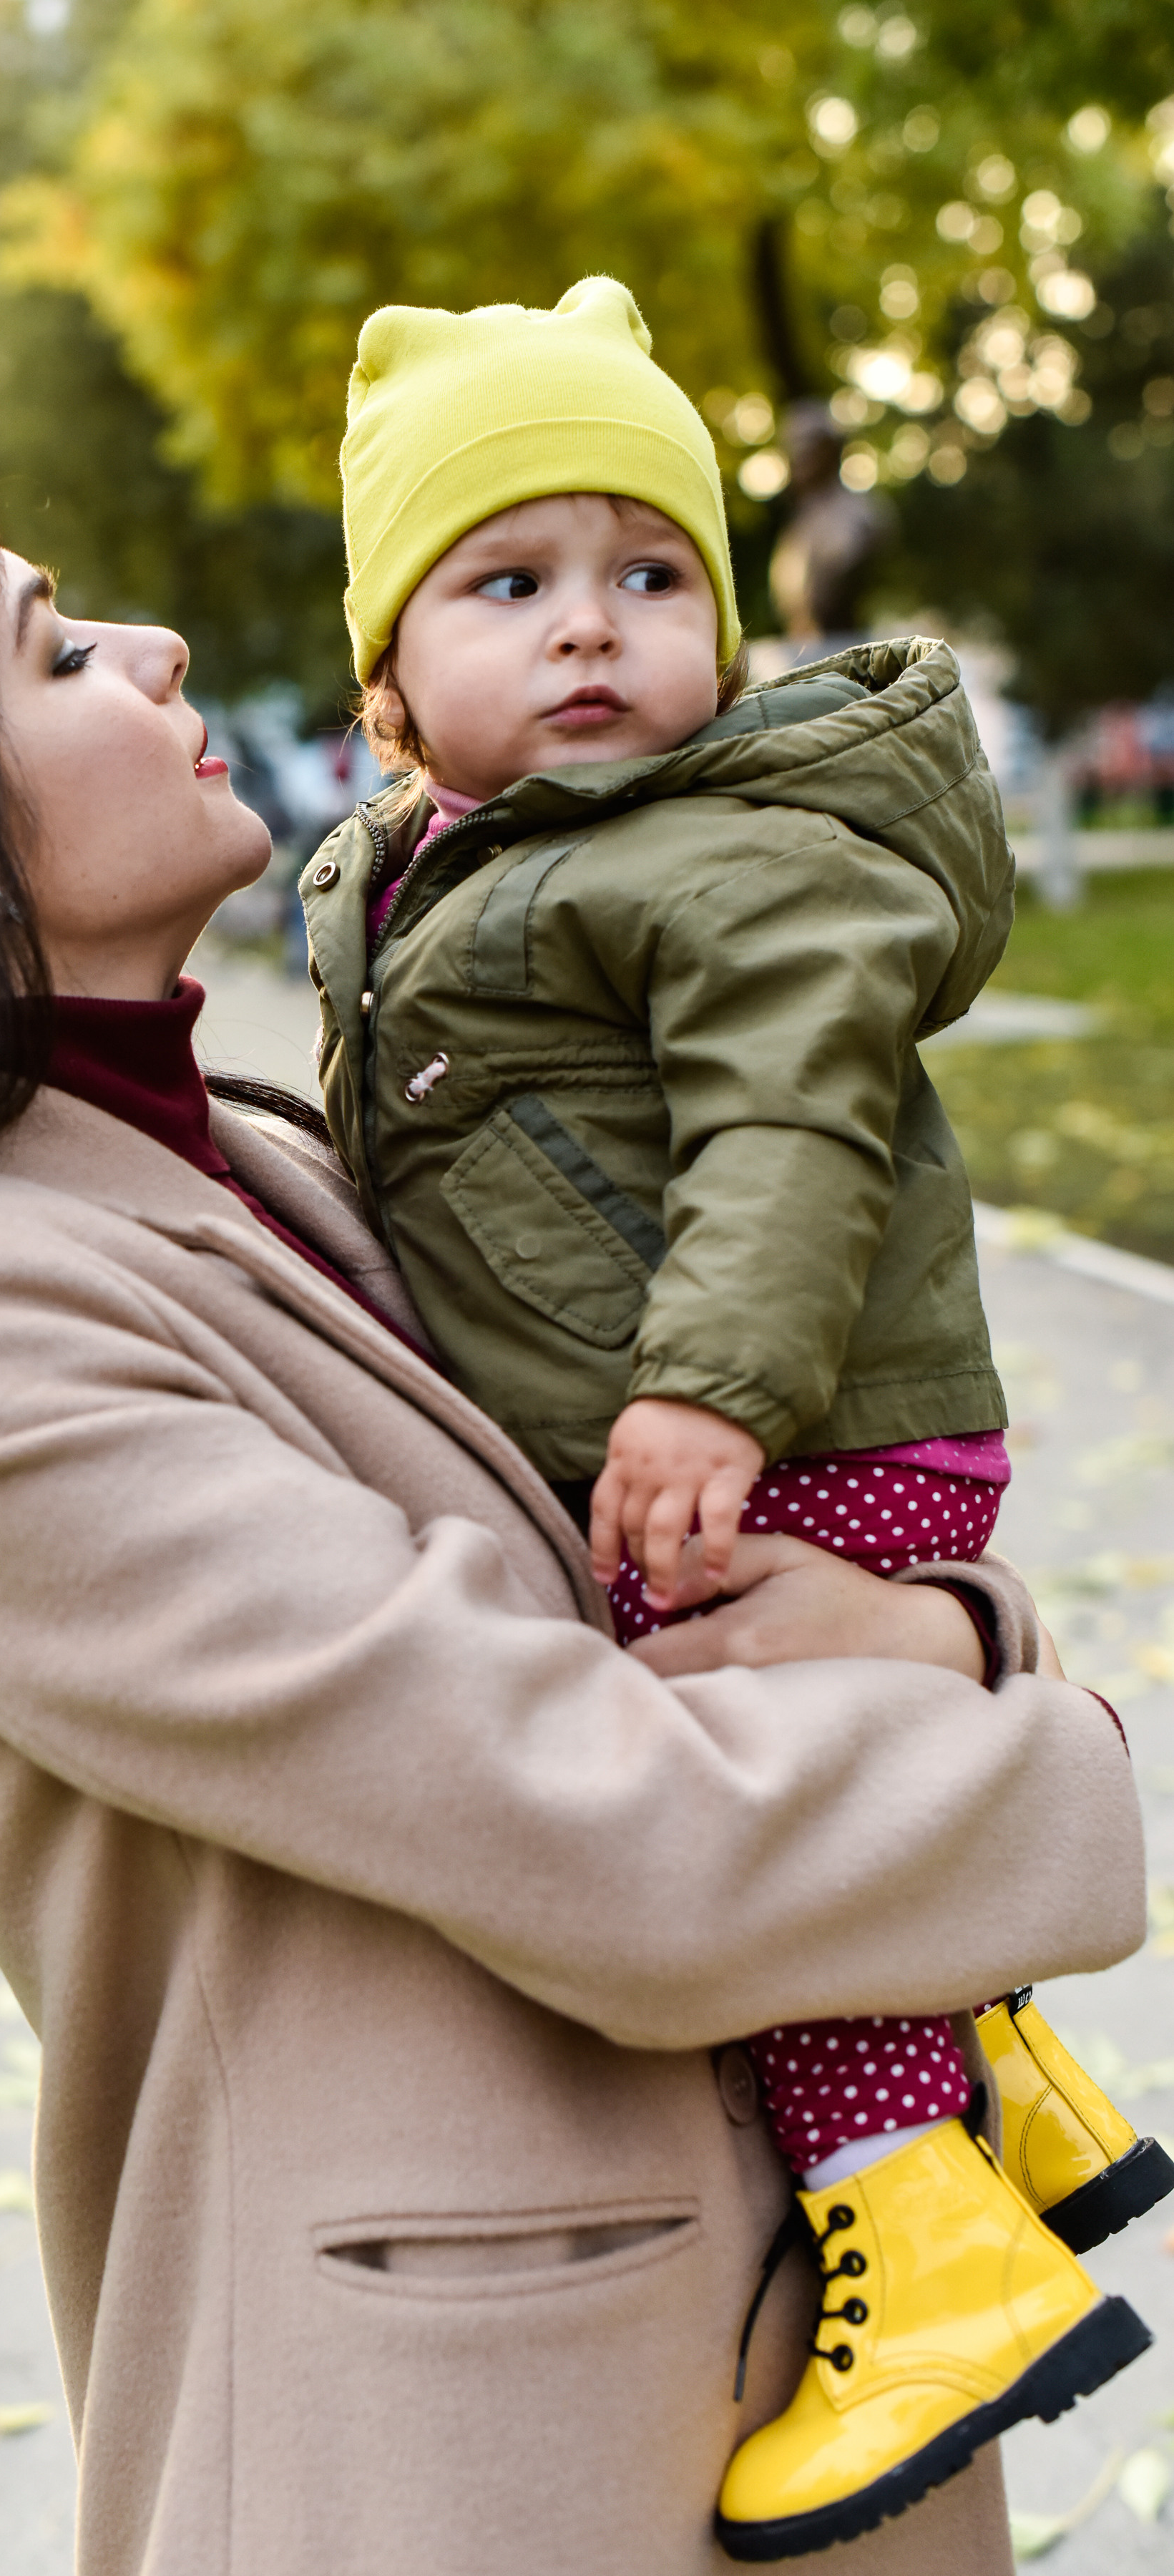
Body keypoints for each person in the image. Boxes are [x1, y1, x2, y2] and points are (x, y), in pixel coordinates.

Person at [0, 462, 1147, 2576]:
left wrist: (946, 1632)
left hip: (725, 2367)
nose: (154, 653)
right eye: (54, 648)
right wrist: (1033, 1735)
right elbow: (601, 1819)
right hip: (468, 2469)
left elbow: (706, 1580)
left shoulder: (253, 1164)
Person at [302, 278, 1165, 2557]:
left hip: (782, 1417)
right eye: (511, 583)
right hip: (729, 1418)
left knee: (737, 1797)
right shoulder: (422, 875)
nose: (592, 631)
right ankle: (1005, 2074)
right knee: (784, 1759)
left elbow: (793, 1124)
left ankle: (924, 2248)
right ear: (393, 683)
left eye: (647, 576)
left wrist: (706, 1388)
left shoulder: (713, 853)